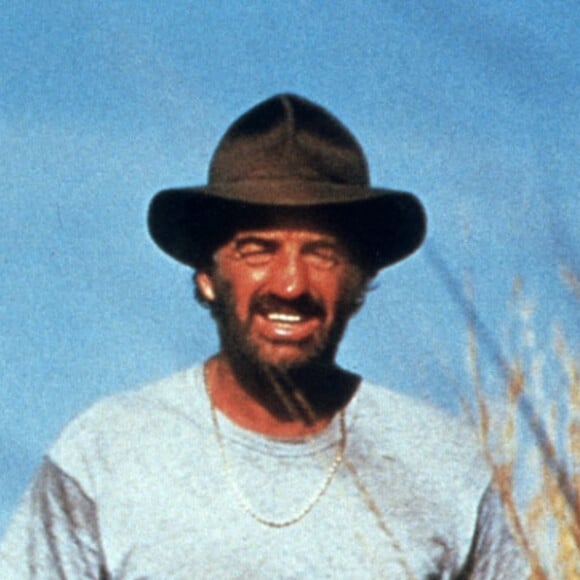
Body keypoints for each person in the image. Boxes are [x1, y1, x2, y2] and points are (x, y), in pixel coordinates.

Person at [0, 94, 527, 578]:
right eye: (257, 249)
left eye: (322, 252)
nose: (291, 283)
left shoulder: (444, 465)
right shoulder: (107, 454)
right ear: (207, 273)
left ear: (362, 277)